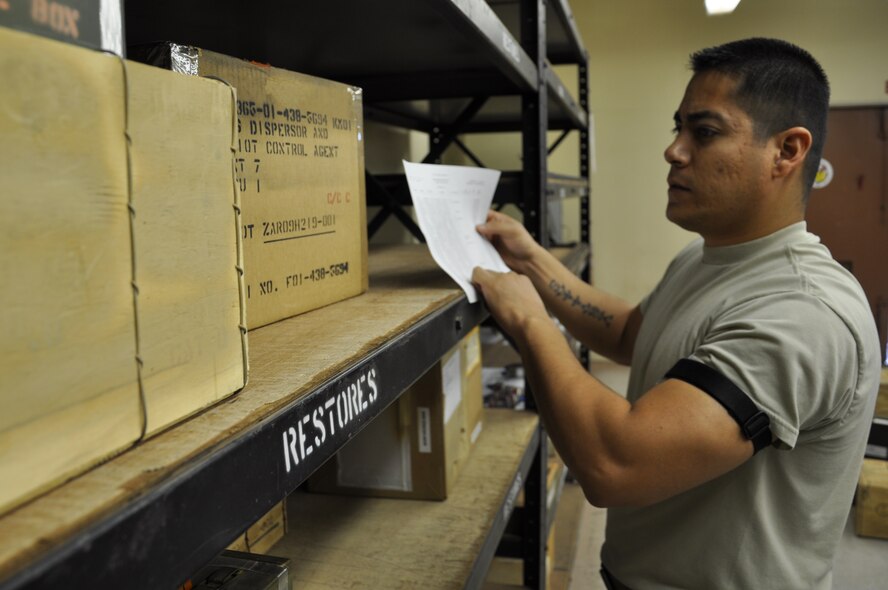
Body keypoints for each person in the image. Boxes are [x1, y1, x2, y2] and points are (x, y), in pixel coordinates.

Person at [472, 38, 881, 590]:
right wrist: (533, 263)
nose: (674, 150)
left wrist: (528, 322)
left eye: (705, 133)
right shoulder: (708, 253)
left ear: (786, 151)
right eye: (678, 128)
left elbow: (617, 464)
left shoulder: (801, 313)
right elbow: (632, 333)